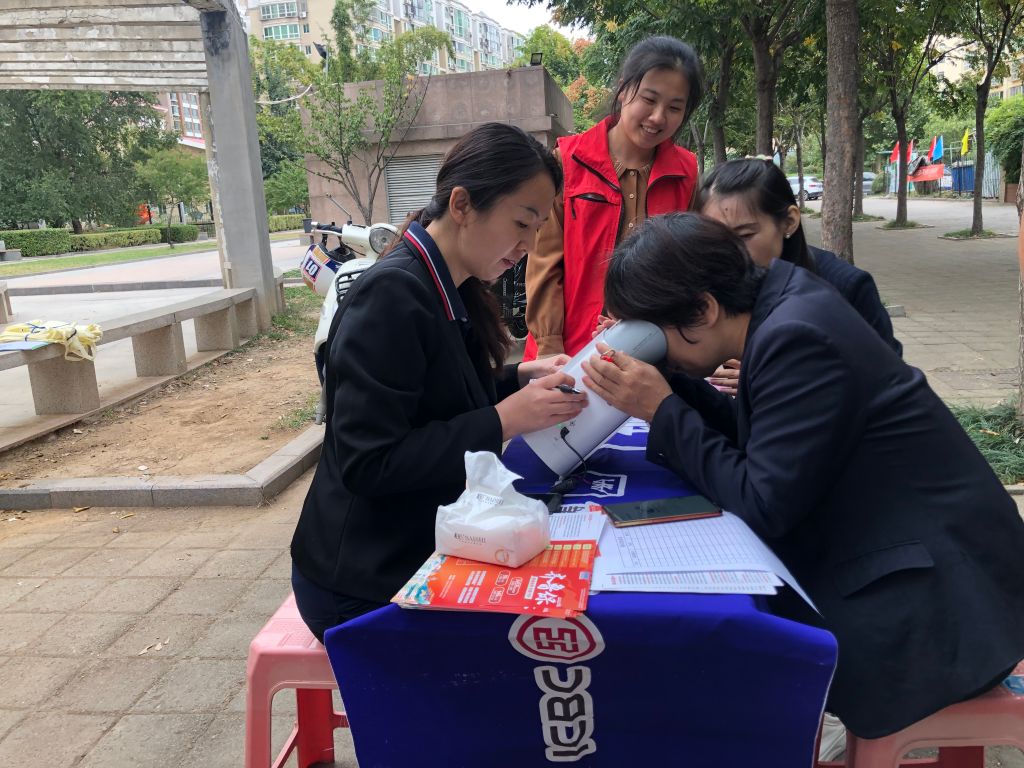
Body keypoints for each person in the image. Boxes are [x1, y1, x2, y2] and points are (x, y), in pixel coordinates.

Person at [581, 212, 1024, 739]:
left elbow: (764, 501)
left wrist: (661, 410)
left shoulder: (795, 335)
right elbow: (763, 440)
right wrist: (670, 388)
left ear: (703, 308)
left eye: (651, 334)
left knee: (721, 657)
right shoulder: (782, 303)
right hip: (910, 552)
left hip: (939, 605)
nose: (652, 348)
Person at [291, 123, 587, 642]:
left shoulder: (449, 282)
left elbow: (436, 391)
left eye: (539, 227)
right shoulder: (392, 295)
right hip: (362, 581)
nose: (529, 244)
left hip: (414, 544)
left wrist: (517, 377)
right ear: (462, 204)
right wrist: (503, 420)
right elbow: (370, 462)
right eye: (522, 222)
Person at [523, 35, 704, 362]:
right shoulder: (568, 161)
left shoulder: (686, 173)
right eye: (649, 99)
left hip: (649, 353)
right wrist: (550, 350)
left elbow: (690, 270)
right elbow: (544, 264)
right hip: (568, 352)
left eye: (674, 107)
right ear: (623, 90)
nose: (658, 117)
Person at [697, 158, 900, 395]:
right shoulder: (713, 281)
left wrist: (772, 378)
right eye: (716, 239)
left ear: (790, 221)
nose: (728, 252)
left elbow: (887, 382)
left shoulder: (845, 286)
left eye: (744, 235)